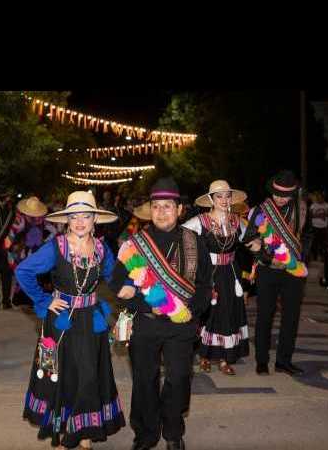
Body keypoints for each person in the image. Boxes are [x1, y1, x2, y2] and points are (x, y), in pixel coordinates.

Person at [16, 191, 125, 450]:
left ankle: (82, 430)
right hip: (62, 321)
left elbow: (114, 277)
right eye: (74, 216)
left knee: (88, 375)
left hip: (91, 322)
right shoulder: (56, 247)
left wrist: (136, 288)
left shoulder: (101, 248)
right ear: (66, 220)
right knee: (64, 376)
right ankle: (68, 430)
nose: (79, 222)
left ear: (94, 219)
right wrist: (43, 301)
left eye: (85, 216)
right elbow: (24, 271)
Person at [111, 177, 212, 450]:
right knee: (145, 380)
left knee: (179, 379)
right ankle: (146, 433)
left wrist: (191, 311)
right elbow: (115, 282)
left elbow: (205, 285)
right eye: (156, 206)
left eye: (168, 206)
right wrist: (144, 305)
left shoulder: (194, 242)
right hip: (146, 323)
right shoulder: (135, 244)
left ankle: (173, 431)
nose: (161, 212)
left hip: (182, 325)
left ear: (179, 210)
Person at [242, 170, 308, 377]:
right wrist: (267, 256)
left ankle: (284, 361)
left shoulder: (301, 209)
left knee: (291, 317)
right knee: (265, 316)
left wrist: (299, 258)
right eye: (277, 194)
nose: (280, 199)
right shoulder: (260, 211)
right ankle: (262, 361)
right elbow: (249, 240)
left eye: (285, 195)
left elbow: (307, 235)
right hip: (268, 269)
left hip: (293, 270)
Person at [182, 180, 250, 375]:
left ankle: (223, 359)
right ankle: (204, 356)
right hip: (208, 274)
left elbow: (253, 242)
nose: (223, 200)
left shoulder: (238, 222)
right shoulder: (199, 221)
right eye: (219, 196)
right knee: (208, 314)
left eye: (227, 196)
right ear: (211, 199)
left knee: (228, 314)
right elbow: (180, 238)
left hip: (230, 273)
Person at [4, 196, 55, 307]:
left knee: (30, 274)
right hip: (29, 251)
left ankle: (28, 299)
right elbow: (54, 232)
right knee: (31, 274)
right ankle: (28, 299)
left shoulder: (23, 220)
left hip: (32, 251)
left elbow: (10, 238)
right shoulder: (35, 220)